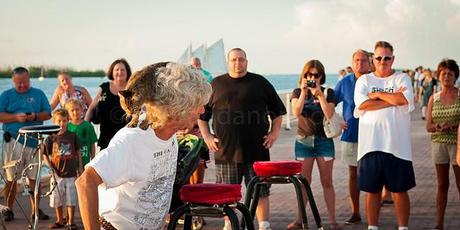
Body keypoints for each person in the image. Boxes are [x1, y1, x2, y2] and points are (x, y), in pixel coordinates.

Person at [76, 62, 212, 230]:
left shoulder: (169, 136)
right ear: (175, 108)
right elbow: (84, 182)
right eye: (196, 105)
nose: (201, 110)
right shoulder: (133, 140)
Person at [197, 48, 286, 230]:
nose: (238, 63)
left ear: (247, 61)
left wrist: (274, 133)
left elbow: (278, 112)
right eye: (234, 60)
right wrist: (206, 136)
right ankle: (229, 225)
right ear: (228, 62)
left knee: (260, 192)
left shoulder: (259, 82)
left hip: (257, 149)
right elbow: (201, 115)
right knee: (226, 194)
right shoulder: (216, 84)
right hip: (226, 151)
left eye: (241, 59)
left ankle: (264, 225)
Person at [354, 41, 415, 230]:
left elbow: (404, 100)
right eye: (379, 57)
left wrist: (378, 94)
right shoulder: (364, 81)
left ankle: (403, 228)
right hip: (370, 146)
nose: (382, 61)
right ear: (373, 59)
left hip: (398, 146)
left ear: (393, 59)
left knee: (400, 191)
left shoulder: (402, 78)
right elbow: (363, 105)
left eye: (387, 58)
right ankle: (373, 227)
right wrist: (393, 100)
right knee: (372, 191)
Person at [290, 59, 338, 230]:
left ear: (321, 76)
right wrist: (304, 92)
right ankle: (299, 220)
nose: (312, 77)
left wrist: (319, 95)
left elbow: (330, 113)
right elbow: (296, 112)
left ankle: (332, 221)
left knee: (327, 181)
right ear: (303, 76)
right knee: (304, 181)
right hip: (304, 141)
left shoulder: (328, 92)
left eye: (316, 75)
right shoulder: (297, 91)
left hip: (324, 141)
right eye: (308, 74)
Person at [0, 67, 51, 222]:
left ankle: (36, 210)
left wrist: (34, 116)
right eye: (18, 83)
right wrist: (16, 117)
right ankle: (8, 209)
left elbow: (48, 113)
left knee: (34, 178)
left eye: (24, 82)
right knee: (11, 178)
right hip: (12, 141)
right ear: (13, 81)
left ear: (29, 79)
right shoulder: (6, 95)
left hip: (34, 141)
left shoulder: (38, 94)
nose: (22, 85)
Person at [334, 49, 370, 225]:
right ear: (352, 62)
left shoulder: (375, 80)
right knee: (353, 174)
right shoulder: (344, 82)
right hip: (350, 134)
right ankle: (355, 211)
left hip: (373, 134)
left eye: (363, 60)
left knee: (374, 173)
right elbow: (330, 103)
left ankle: (374, 210)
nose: (360, 63)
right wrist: (337, 122)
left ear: (370, 62)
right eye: (356, 60)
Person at [425, 59, 460, 230]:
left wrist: (453, 126)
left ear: (455, 76)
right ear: (438, 76)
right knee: (442, 185)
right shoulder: (434, 98)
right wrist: (438, 126)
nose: (447, 76)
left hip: (458, 145)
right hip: (439, 145)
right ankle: (439, 224)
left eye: (450, 73)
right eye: (443, 73)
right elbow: (428, 126)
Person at [42, 109, 82, 229]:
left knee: (71, 199)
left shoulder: (72, 136)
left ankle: (71, 221)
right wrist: (51, 168)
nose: (62, 123)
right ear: (54, 121)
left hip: (71, 174)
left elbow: (78, 153)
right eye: (59, 121)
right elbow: (45, 155)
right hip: (56, 174)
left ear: (68, 121)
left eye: (64, 120)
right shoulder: (51, 137)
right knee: (56, 199)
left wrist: (80, 168)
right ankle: (60, 220)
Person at [84, 58, 131, 150]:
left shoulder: (132, 88)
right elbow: (91, 108)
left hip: (127, 135)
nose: (119, 72)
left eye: (122, 69)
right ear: (112, 72)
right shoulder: (105, 88)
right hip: (106, 135)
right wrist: (84, 126)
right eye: (116, 69)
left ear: (127, 72)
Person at [65, 99, 98, 167]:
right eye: (72, 110)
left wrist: (93, 160)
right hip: (70, 163)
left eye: (77, 109)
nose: (75, 112)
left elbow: (92, 144)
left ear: (82, 110)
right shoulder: (66, 127)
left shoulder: (88, 126)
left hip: (85, 160)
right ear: (68, 113)